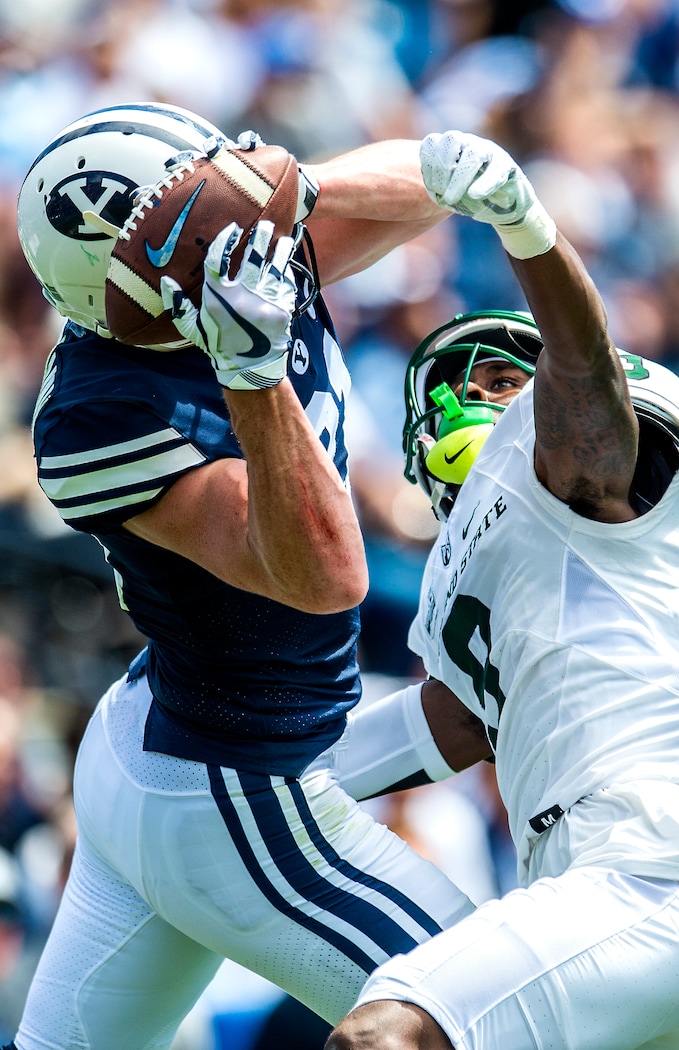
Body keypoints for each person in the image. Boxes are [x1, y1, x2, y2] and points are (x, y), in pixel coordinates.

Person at [7, 104, 491, 1050]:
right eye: (194, 222)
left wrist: (293, 187)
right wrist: (254, 373)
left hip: (161, 734)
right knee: (500, 1013)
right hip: (229, 787)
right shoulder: (95, 415)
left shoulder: (230, 260)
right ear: (137, 279)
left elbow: (436, 188)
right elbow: (326, 577)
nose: (234, 237)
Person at [325, 131, 679, 1049]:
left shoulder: (566, 450)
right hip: (598, 871)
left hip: (653, 859)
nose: (510, 394)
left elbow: (585, 404)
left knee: (388, 1033)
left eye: (516, 376)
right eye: (485, 378)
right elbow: (450, 723)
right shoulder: (463, 574)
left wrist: (527, 231)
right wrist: (256, 774)